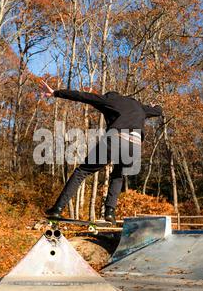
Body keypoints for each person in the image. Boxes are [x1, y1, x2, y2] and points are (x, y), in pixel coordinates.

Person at [39, 80, 162, 224]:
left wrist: (55, 93)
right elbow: (158, 111)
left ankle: (58, 208)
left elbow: (82, 96)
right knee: (117, 175)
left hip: (117, 137)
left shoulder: (109, 100)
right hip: (134, 145)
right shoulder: (139, 106)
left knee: (82, 171)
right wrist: (156, 106)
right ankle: (110, 212)